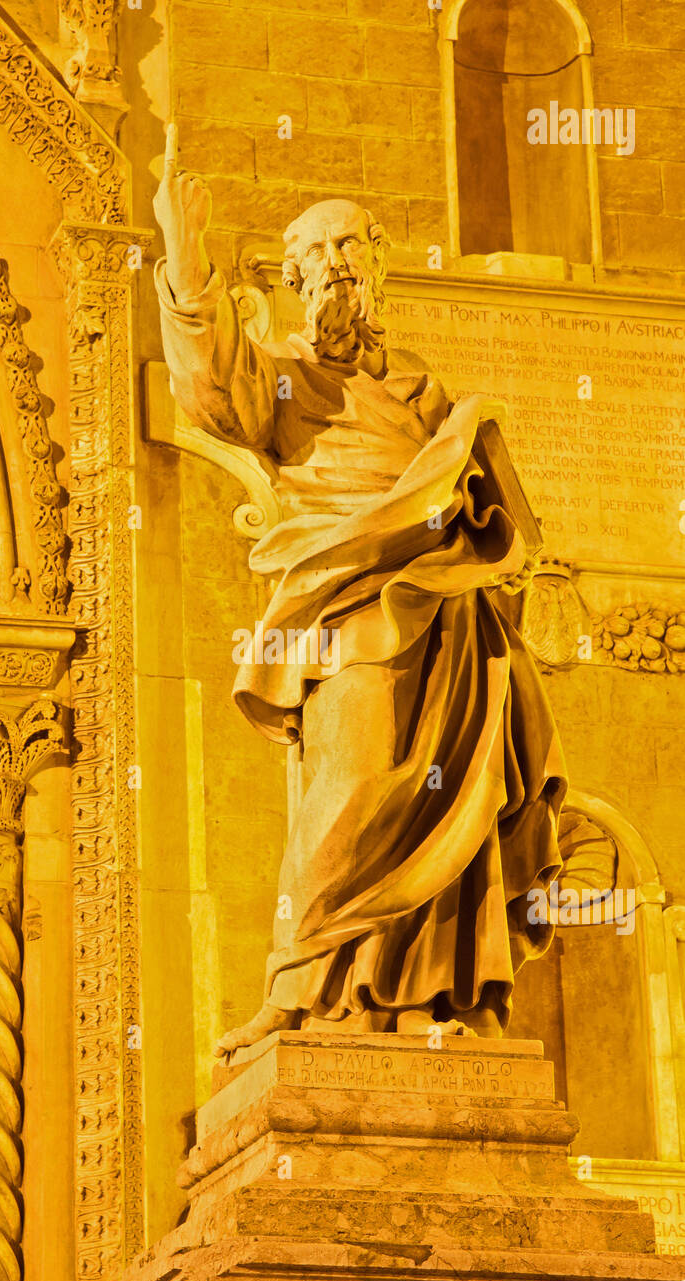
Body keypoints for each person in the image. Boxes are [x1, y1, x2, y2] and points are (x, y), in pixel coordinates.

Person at [153, 125, 567, 1056]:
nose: (334, 267)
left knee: (453, 797)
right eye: (313, 255)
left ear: (375, 269)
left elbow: (479, 499)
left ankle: (446, 994)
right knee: (351, 785)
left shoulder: (425, 391)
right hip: (347, 608)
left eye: (348, 248)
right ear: (292, 282)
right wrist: (186, 260)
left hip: (447, 611)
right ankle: (295, 987)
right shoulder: (285, 381)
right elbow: (215, 394)